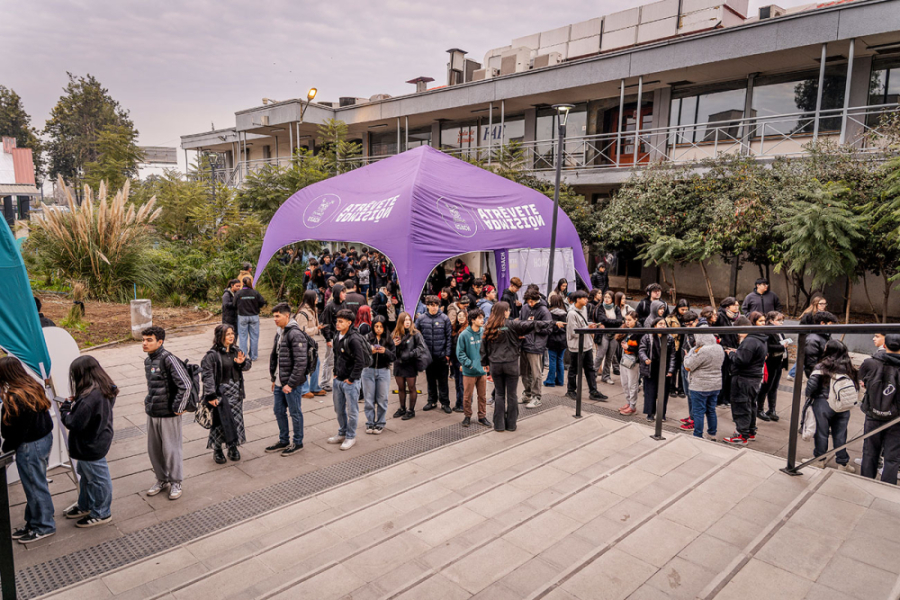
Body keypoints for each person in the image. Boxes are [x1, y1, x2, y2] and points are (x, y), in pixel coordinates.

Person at [480, 301, 561, 432]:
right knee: (512, 395)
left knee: (499, 394)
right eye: (508, 310)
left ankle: (499, 425)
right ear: (504, 312)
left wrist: (484, 363)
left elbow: (483, 347)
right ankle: (511, 425)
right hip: (511, 363)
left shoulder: (489, 326)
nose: (509, 312)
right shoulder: (512, 324)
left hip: (495, 364)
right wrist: (551, 323)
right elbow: (532, 324)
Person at [0, 357, 55, 543]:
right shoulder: (32, 385)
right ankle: (33, 522)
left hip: (30, 446)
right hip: (43, 440)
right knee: (37, 483)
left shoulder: (15, 397)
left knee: (34, 486)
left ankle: (44, 525)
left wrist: (6, 449)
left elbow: (15, 430)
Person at [58, 356, 117, 528]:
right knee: (86, 476)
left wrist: (66, 409)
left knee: (98, 479)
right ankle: (85, 505)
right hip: (98, 439)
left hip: (89, 445)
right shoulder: (105, 387)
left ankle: (101, 512)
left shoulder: (90, 398)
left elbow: (73, 423)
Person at [141, 326, 192, 501]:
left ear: (160, 342)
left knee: (171, 450)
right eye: (143, 340)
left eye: (149, 340)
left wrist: (178, 408)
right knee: (154, 450)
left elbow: (186, 385)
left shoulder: (169, 359)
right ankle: (162, 479)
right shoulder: (148, 361)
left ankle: (176, 482)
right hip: (153, 413)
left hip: (169, 414)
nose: (144, 343)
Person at [803, 339, 858, 471]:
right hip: (843, 405)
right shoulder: (849, 367)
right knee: (841, 433)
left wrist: (811, 396)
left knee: (821, 433)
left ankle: (820, 460)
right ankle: (843, 463)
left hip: (823, 403)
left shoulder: (822, 367)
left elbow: (811, 387)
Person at [200, 323, 251, 464]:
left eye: (232, 334)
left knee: (235, 421)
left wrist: (242, 363)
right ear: (220, 336)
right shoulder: (212, 355)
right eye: (227, 334)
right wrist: (210, 395)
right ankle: (217, 449)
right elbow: (207, 376)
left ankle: (233, 446)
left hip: (236, 392)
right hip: (221, 394)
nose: (231, 336)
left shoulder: (236, 350)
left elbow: (247, 365)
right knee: (220, 422)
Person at [858, 334, 900, 484]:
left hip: (873, 413)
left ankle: (866, 482)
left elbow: (861, 379)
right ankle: (887, 486)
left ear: (885, 345)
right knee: (892, 457)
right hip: (896, 419)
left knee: (870, 452)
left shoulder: (870, 363)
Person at [723, 317, 768, 445]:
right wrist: (738, 352)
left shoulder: (749, 341)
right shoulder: (760, 339)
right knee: (751, 405)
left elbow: (741, 360)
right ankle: (750, 431)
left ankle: (742, 435)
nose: (737, 334)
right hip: (754, 378)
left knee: (741, 405)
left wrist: (731, 354)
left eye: (738, 330)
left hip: (743, 379)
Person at [330, 309, 367, 450]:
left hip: (350, 382)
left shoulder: (354, 339)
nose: (337, 324)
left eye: (341, 321)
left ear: (349, 323)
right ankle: (342, 432)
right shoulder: (337, 336)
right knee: (339, 409)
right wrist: (335, 372)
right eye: (337, 321)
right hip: (338, 379)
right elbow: (336, 356)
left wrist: (351, 379)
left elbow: (360, 361)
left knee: (352, 411)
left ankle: (350, 436)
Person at [565, 290, 607, 401]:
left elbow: (582, 325)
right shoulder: (571, 314)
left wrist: (589, 325)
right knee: (574, 369)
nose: (586, 300)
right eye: (584, 298)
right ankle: (570, 390)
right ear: (577, 299)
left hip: (587, 344)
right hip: (576, 346)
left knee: (590, 369)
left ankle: (593, 391)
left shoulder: (584, 309)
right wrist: (587, 328)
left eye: (586, 298)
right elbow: (573, 332)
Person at [681, 331, 724, 438]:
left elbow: (688, 366)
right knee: (711, 410)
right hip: (715, 385)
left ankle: (698, 435)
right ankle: (712, 433)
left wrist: (686, 357)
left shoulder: (703, 351)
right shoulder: (719, 348)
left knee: (698, 412)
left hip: (700, 386)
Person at [416, 296, 453, 414]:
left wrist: (447, 354)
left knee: (443, 381)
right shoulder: (421, 319)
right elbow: (415, 335)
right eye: (431, 305)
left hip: (441, 356)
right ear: (427, 305)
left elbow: (449, 338)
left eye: (436, 305)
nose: (434, 308)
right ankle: (431, 401)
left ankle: (445, 403)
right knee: (430, 379)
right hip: (428, 357)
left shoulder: (445, 319)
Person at [456, 309, 491, 427]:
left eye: (483, 317)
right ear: (472, 320)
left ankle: (482, 416)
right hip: (469, 372)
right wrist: (469, 364)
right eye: (480, 318)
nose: (482, 320)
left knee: (482, 396)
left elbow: (488, 349)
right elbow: (460, 352)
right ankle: (467, 416)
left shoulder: (484, 332)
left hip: (482, 371)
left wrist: (487, 363)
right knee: (467, 396)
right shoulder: (464, 335)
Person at [520, 289, 553, 409]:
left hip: (536, 345)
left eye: (532, 301)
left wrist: (535, 325)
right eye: (528, 301)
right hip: (524, 343)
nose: (530, 303)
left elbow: (549, 329)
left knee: (536, 373)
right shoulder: (524, 308)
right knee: (524, 373)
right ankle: (527, 393)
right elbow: (521, 323)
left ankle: (536, 397)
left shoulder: (544, 310)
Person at [639, 317, 677, 422]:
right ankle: (650, 413)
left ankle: (661, 413)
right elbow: (642, 350)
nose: (663, 326)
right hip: (651, 367)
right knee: (650, 392)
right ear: (655, 325)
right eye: (660, 324)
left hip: (664, 368)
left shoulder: (669, 338)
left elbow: (673, 356)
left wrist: (671, 370)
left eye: (664, 324)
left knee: (663, 393)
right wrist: (645, 358)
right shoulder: (647, 337)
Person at [363, 316, 395, 434]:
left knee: (382, 399)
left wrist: (385, 351)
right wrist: (369, 351)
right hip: (368, 370)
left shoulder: (388, 339)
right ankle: (370, 423)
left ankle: (380, 423)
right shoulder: (367, 337)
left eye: (381, 326)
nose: (378, 329)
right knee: (369, 399)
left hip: (383, 370)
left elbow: (393, 357)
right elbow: (360, 354)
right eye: (376, 326)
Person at [392, 312, 426, 420]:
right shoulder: (396, 333)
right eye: (405, 320)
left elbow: (421, 347)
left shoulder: (415, 333)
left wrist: (411, 354)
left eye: (408, 320)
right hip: (398, 364)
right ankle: (402, 408)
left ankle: (411, 410)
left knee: (411, 387)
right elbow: (389, 349)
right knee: (401, 388)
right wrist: (394, 345)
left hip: (410, 364)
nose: (407, 322)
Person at [756, 311, 789, 422]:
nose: (781, 322)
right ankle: (759, 409)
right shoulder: (768, 331)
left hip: (778, 362)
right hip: (771, 362)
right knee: (766, 386)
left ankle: (772, 409)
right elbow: (768, 346)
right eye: (778, 320)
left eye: (782, 320)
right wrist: (781, 346)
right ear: (770, 320)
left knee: (774, 387)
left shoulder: (778, 330)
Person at [295, 291, 326, 399]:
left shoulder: (312, 310)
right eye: (316, 297)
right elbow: (302, 330)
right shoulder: (303, 313)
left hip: (311, 342)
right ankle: (304, 389)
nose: (318, 299)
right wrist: (316, 329)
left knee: (316, 363)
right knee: (306, 365)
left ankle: (314, 387)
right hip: (304, 343)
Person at [320, 282, 345, 392]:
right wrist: (328, 339)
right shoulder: (330, 306)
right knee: (329, 360)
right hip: (333, 337)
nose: (345, 294)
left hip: (342, 336)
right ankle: (325, 382)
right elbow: (326, 324)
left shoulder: (344, 304)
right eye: (342, 292)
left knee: (340, 359)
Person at [593, 290, 623, 385]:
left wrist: (608, 322)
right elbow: (602, 319)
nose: (606, 299)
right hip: (603, 334)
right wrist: (613, 322)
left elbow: (620, 321)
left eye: (608, 297)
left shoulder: (616, 308)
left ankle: (606, 376)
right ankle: (592, 375)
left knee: (610, 357)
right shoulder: (600, 307)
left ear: (612, 299)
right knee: (600, 355)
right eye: (605, 297)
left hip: (614, 335)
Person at [716, 297, 741, 406]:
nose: (737, 307)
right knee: (724, 374)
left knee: (729, 374)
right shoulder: (721, 316)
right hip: (724, 349)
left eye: (738, 305)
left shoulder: (735, 317)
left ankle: (726, 397)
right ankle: (721, 398)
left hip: (732, 347)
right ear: (727, 307)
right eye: (734, 305)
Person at [617, 312, 642, 416]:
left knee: (632, 383)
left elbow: (641, 348)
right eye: (626, 319)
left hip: (633, 360)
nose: (627, 322)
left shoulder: (639, 331)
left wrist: (629, 347)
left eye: (629, 320)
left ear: (635, 319)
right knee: (625, 382)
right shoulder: (626, 329)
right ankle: (628, 402)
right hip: (624, 358)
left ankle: (632, 406)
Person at [235, 277, 266, 361]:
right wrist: (256, 307)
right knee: (254, 337)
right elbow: (263, 302)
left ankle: (243, 356)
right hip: (254, 316)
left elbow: (234, 304)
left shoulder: (239, 293)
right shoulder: (255, 293)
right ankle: (254, 356)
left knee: (242, 337)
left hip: (242, 317)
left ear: (242, 283)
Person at [543, 294, 568, 388]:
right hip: (562, 341)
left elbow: (550, 327)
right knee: (560, 360)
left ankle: (550, 381)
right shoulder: (565, 313)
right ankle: (560, 381)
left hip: (552, 340)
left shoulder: (550, 313)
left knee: (552, 360)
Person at [804, 311, 837, 377]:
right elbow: (811, 364)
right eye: (831, 324)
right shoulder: (812, 340)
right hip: (820, 375)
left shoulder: (826, 336)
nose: (833, 327)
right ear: (822, 323)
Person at [450, 309, 469, 412]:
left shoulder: (466, 330)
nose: (460, 318)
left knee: (463, 384)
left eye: (462, 316)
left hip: (463, 362)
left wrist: (463, 363)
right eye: (459, 316)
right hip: (455, 361)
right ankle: (458, 403)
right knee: (458, 384)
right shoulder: (455, 328)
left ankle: (463, 405)